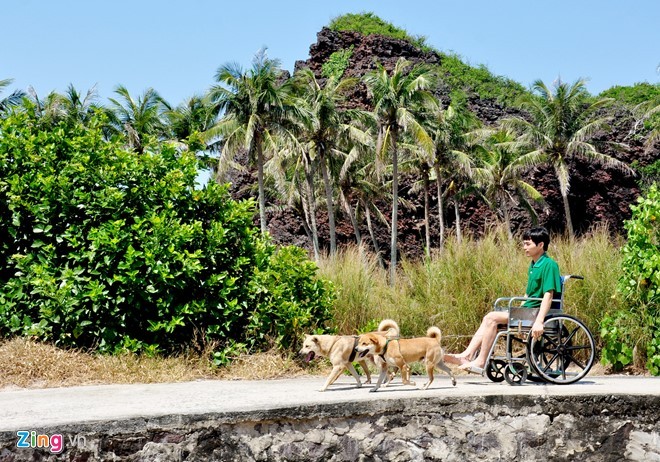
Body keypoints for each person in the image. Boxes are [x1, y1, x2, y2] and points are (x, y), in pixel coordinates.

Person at [445, 227, 562, 373]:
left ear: (540, 245)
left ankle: (480, 360)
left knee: (491, 317)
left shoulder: (549, 265)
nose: (524, 247)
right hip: (527, 310)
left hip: (535, 313)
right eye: (524, 243)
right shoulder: (533, 264)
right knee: (489, 318)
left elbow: (548, 295)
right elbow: (528, 293)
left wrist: (539, 321)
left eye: (528, 244)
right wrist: (519, 308)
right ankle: (466, 355)